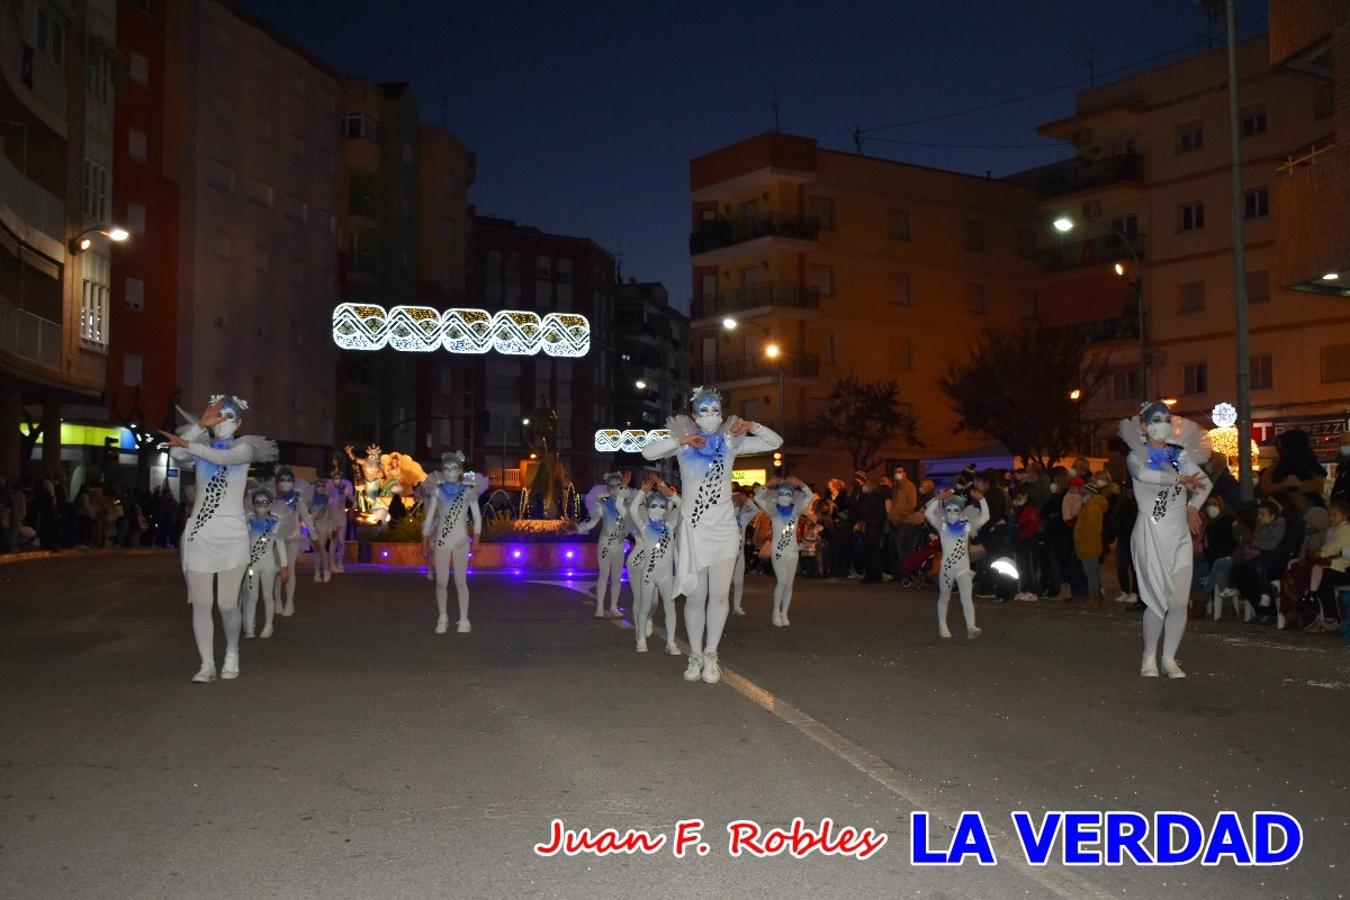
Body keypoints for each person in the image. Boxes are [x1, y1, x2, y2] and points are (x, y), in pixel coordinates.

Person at [641, 386, 782, 684]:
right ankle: (694, 656)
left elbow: (775, 441)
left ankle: (711, 656)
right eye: (703, 411)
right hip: (693, 529)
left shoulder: (730, 442)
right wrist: (681, 439)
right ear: (694, 415)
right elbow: (647, 451)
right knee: (696, 597)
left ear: (721, 416)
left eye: (715, 411)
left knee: (719, 596)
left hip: (724, 529)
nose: (709, 416)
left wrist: (752, 425)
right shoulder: (684, 445)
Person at [159, 395, 278, 682]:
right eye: (217, 415)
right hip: (201, 533)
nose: (221, 421)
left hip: (233, 535)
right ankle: (206, 664)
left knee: (227, 604)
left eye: (228, 416)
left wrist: (188, 442)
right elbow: (177, 456)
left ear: (239, 422)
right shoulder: (201, 446)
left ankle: (232, 652)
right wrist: (200, 425)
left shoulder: (244, 447)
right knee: (201, 603)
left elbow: (223, 458)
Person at [1120, 401, 1212, 679]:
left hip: (1179, 537)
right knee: (1156, 600)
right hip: (1151, 533)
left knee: (1179, 602)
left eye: (1168, 418)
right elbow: (1145, 475)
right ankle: (1149, 657)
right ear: (1145, 427)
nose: (1164, 424)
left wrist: (1192, 506)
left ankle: (1169, 658)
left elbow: (1204, 483)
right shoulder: (1137, 455)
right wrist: (1180, 480)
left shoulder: (1179, 455)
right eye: (1157, 419)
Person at [421, 452, 485, 634]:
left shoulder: (468, 490)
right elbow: (430, 516)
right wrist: (424, 540)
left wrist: (477, 540)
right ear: (443, 471)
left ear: (460, 471)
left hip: (461, 541)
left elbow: (477, 518)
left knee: (460, 580)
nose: (450, 472)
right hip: (442, 540)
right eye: (447, 469)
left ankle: (464, 619)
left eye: (454, 469)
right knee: (441, 581)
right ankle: (443, 617)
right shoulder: (437, 490)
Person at [627, 475, 681, 655]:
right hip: (648, 574)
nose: (658, 509)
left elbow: (683, 507)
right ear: (648, 508)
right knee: (644, 607)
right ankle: (641, 639)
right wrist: (642, 492)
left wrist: (668, 491)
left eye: (662, 506)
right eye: (653, 506)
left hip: (667, 575)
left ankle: (671, 643)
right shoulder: (644, 527)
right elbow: (634, 510)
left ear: (666, 509)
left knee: (670, 607)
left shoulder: (670, 525)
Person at [925, 488, 988, 639]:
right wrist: (938, 498)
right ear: (945, 511)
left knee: (967, 599)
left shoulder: (967, 525)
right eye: (949, 509)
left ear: (961, 511)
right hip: (947, 569)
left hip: (964, 569)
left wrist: (982, 500)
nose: (952, 512)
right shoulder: (942, 525)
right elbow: (928, 513)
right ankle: (942, 626)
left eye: (955, 509)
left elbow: (985, 517)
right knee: (944, 598)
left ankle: (971, 627)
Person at [754, 476, 816, 627]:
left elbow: (810, 495)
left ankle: (784, 613)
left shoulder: (796, 511)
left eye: (788, 493)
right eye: (782, 493)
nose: (785, 496)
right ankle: (776, 611)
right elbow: (757, 497)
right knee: (782, 582)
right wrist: (769, 484)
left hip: (793, 551)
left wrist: (800, 483)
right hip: (778, 550)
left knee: (789, 584)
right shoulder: (773, 511)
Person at [574, 470, 633, 619]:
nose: (614, 488)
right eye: (611, 486)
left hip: (619, 544)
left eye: (617, 485)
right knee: (604, 574)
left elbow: (630, 525)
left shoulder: (626, 503)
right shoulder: (603, 503)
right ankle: (600, 606)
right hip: (605, 542)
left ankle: (613, 606)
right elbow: (593, 522)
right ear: (608, 487)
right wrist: (577, 529)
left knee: (616, 576)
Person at [242, 488, 289, 640]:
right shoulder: (248, 522)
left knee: (268, 596)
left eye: (264, 502)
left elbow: (280, 545)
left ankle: (269, 625)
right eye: (257, 502)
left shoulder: (275, 523)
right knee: (251, 596)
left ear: (270, 504)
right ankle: (249, 627)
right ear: (253, 504)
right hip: (251, 567)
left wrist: (284, 566)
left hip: (269, 566)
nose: (261, 505)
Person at [271, 467, 314, 617]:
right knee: (277, 570)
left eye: (289, 480)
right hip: (276, 539)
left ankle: (289, 602)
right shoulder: (272, 498)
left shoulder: (297, 498)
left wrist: (314, 537)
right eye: (282, 480)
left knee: (290, 570)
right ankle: (277, 602)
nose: (286, 483)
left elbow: (306, 518)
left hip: (293, 538)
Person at [1311, 499, 1350, 632]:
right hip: (1336, 566)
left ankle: (1331, 618)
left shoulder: (1346, 530)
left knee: (1325, 578)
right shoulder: (1334, 529)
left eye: (1334, 515)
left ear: (1344, 516)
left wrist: (1320, 554)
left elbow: (1335, 549)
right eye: (1329, 515)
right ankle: (1325, 616)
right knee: (1320, 575)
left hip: (1344, 569)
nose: (1331, 518)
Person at [1074, 478, 1109, 609]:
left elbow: (1089, 529)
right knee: (1092, 572)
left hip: (1089, 545)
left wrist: (1078, 536)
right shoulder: (1089, 507)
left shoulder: (1092, 509)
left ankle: (1094, 597)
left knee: (1091, 572)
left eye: (1083, 493)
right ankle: (1095, 596)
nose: (1080, 496)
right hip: (1088, 545)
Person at [1009, 485, 1040, 601]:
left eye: (1020, 496)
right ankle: (1024, 589)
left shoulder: (1030, 509)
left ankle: (1031, 591)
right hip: (1020, 541)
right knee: (1022, 567)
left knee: (1028, 567)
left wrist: (1021, 536)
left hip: (1027, 542)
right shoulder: (1019, 508)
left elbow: (1032, 526)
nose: (1018, 498)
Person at [730, 490, 757, 615]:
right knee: (724, 583)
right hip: (726, 556)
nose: (736, 505)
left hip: (740, 554)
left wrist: (745, 499)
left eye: (737, 503)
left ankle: (737, 606)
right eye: (734, 503)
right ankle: (720, 606)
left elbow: (755, 510)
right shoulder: (723, 518)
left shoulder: (743, 518)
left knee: (739, 581)